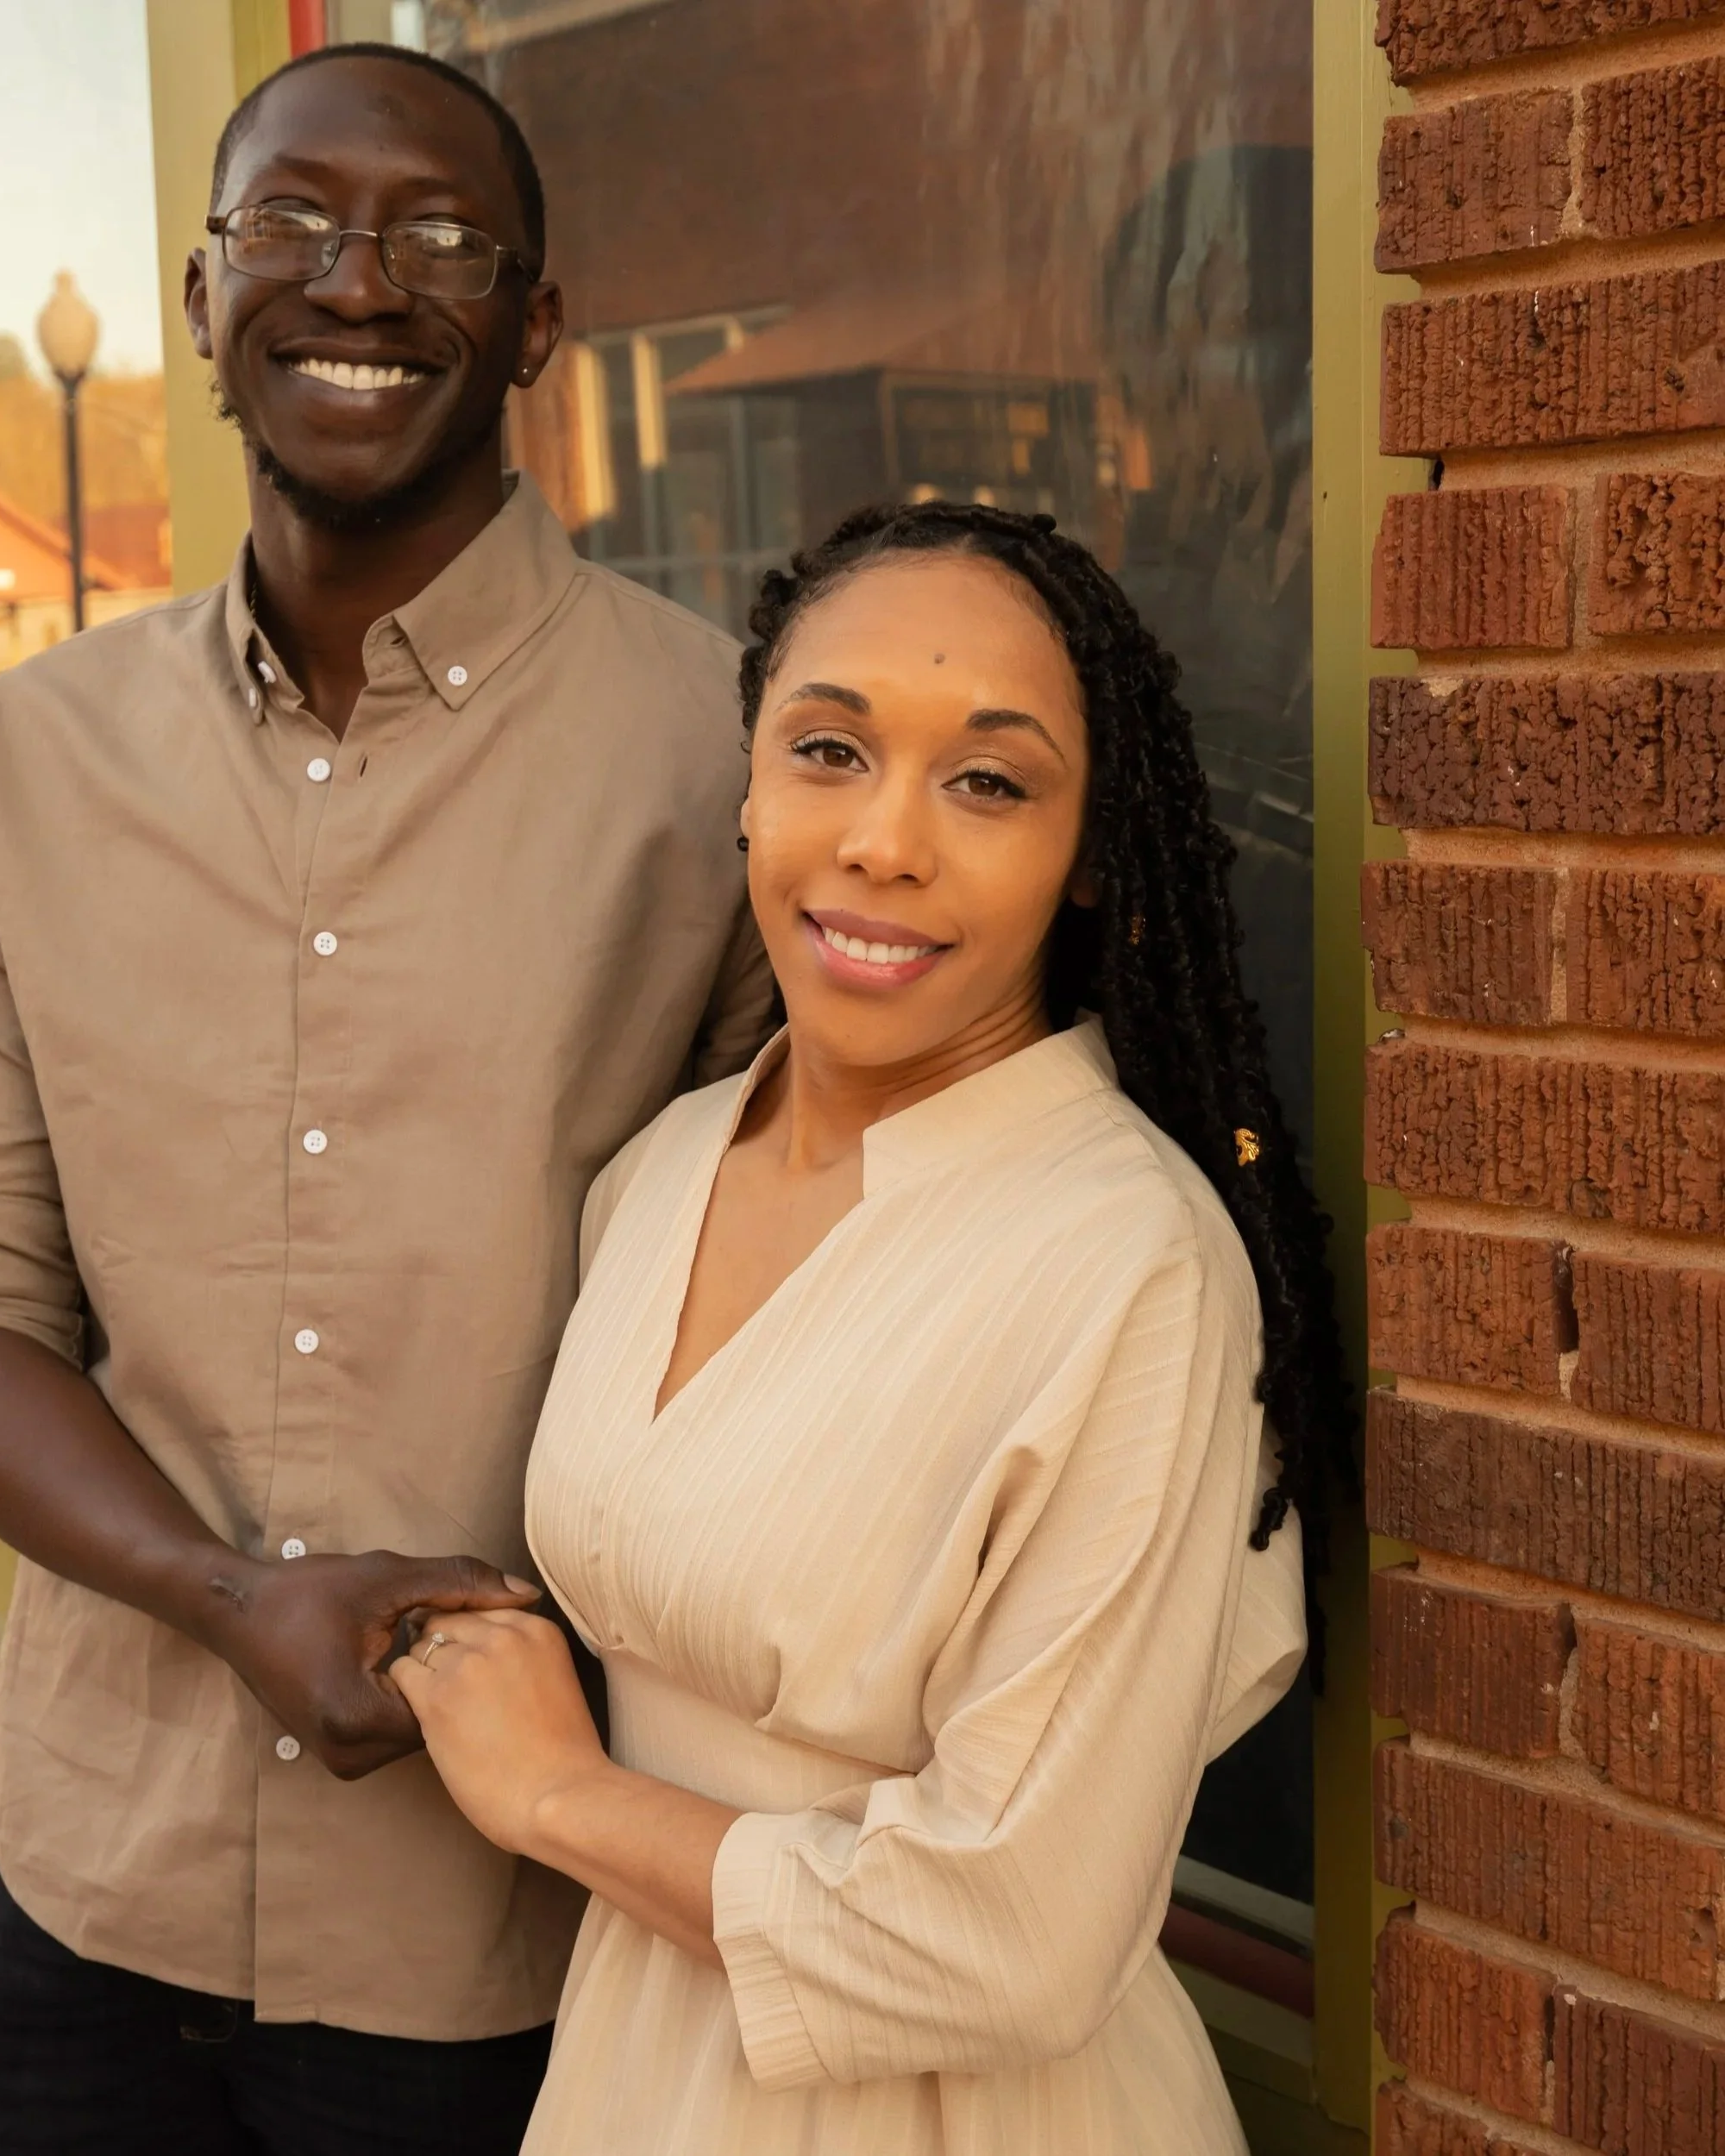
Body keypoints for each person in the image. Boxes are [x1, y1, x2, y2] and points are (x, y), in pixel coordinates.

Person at [0, 42, 774, 2156]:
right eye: (288, 223)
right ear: (198, 299)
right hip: (80, 1895)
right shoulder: (27, 756)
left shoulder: (720, 758)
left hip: (512, 1943)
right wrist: (214, 1592)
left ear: (535, 325)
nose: (355, 283)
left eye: (439, 239)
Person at [393, 501, 1353, 2155]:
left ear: (1091, 852)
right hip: (641, 2081)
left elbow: (1020, 1939)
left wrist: (554, 1793)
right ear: (752, 784)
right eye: (830, 750)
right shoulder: (663, 1166)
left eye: (988, 781)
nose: (885, 842)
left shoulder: (1130, 1264)